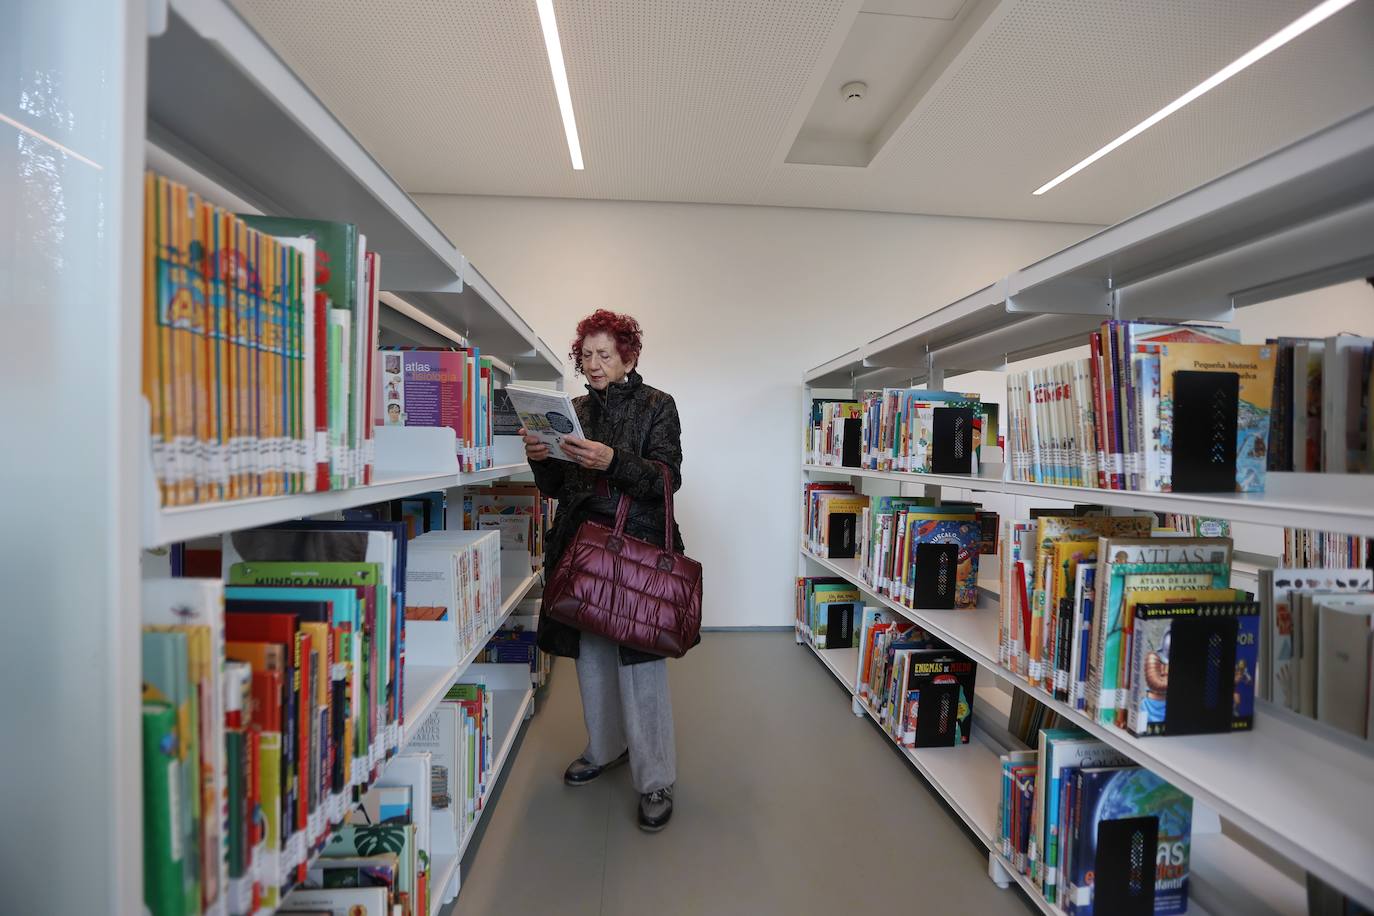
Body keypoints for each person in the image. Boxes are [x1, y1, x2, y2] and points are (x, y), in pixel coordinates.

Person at [519, 308, 686, 832]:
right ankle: (606, 747)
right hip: (582, 552)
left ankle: (655, 777)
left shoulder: (659, 405)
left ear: (628, 358)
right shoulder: (573, 409)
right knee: (591, 659)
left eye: (604, 355)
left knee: (640, 666)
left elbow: (667, 479)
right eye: (586, 355)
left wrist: (611, 461)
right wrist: (539, 457)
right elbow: (555, 487)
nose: (593, 364)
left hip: (635, 553)